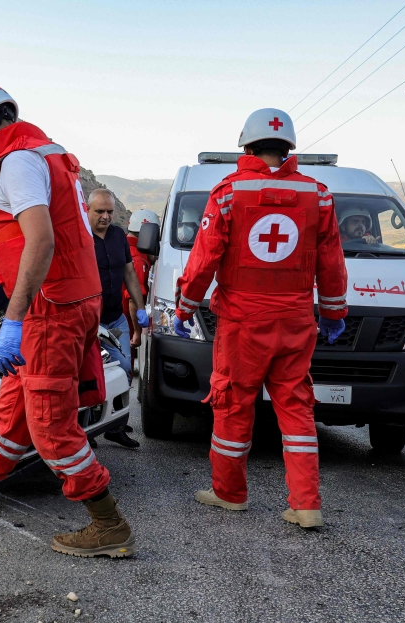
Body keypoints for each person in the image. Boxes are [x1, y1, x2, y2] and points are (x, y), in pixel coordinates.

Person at [0, 84, 135, 558]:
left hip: (48, 309)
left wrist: (13, 319)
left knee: (49, 424)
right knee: (16, 405)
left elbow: (39, 242)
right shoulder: (46, 155)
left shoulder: (16, 163)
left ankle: (108, 524)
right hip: (76, 298)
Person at [173, 108, 347, 529]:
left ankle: (229, 493)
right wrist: (335, 312)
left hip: (243, 323)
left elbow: (204, 258)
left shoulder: (229, 192)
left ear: (247, 147)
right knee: (296, 408)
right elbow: (331, 261)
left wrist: (185, 306)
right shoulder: (318, 195)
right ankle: (306, 504)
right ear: (289, 147)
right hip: (295, 320)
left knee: (233, 403)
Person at [88, 190, 150, 449]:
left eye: (110, 212)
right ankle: (88, 428)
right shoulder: (80, 236)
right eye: (99, 212)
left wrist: (141, 308)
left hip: (116, 319)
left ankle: (116, 426)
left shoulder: (118, 237)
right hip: (90, 322)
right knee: (91, 376)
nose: (105, 217)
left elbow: (128, 273)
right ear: (88, 210)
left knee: (124, 374)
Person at [123, 209, 158, 350]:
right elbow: (132, 298)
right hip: (128, 320)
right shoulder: (137, 259)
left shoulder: (125, 247)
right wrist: (137, 332)